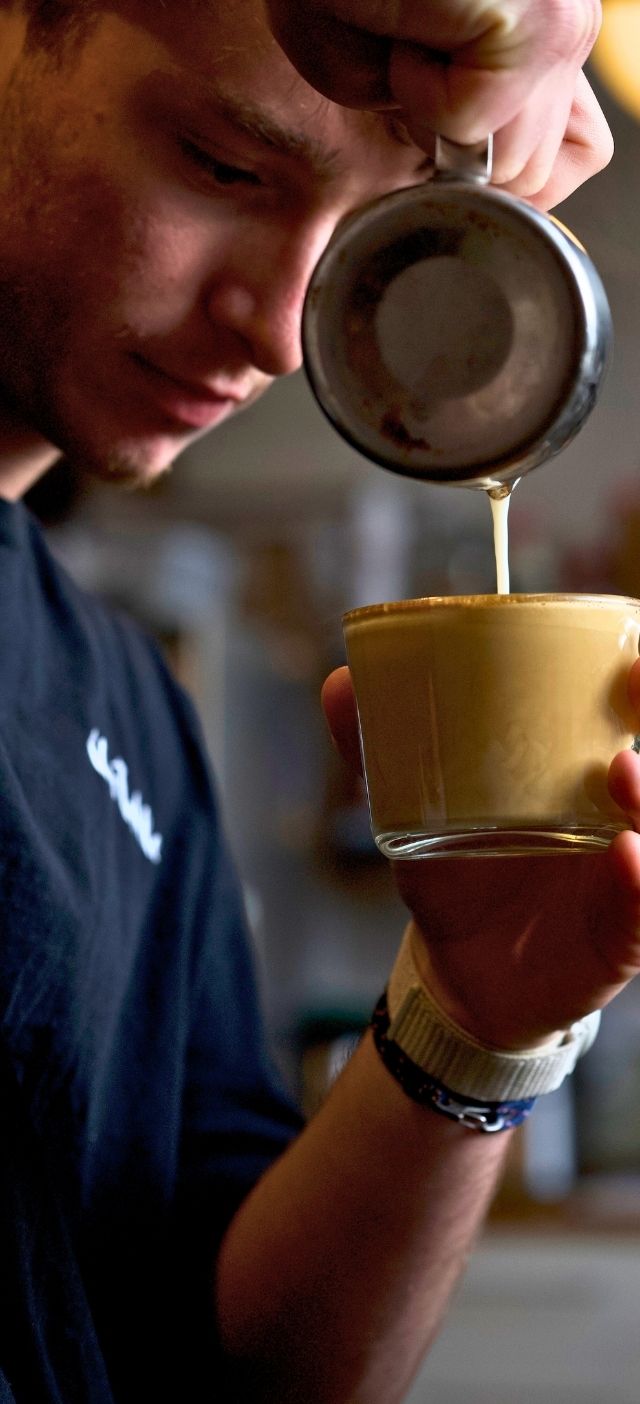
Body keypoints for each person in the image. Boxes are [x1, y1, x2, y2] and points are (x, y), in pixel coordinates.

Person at [0, 1, 636, 1402]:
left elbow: (240, 1363)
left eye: (359, 235)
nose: (285, 332)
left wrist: (475, 1023)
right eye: (223, 165)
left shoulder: (132, 718)